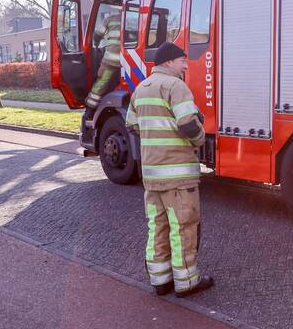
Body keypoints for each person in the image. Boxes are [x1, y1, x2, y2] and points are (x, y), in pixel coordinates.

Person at [124, 41, 214, 297]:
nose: (186, 65)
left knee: (158, 226)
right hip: (178, 176)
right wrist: (198, 139)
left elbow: (132, 125)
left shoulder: (141, 88)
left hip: (152, 175)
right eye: (182, 60)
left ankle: (160, 280)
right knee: (184, 226)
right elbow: (188, 124)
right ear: (169, 62)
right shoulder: (175, 86)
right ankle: (187, 281)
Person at [85, 16, 122, 112]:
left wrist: (96, 44)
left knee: (102, 81)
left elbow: (97, 34)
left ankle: (91, 106)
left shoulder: (110, 19)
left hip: (111, 60)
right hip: (128, 61)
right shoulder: (131, 18)